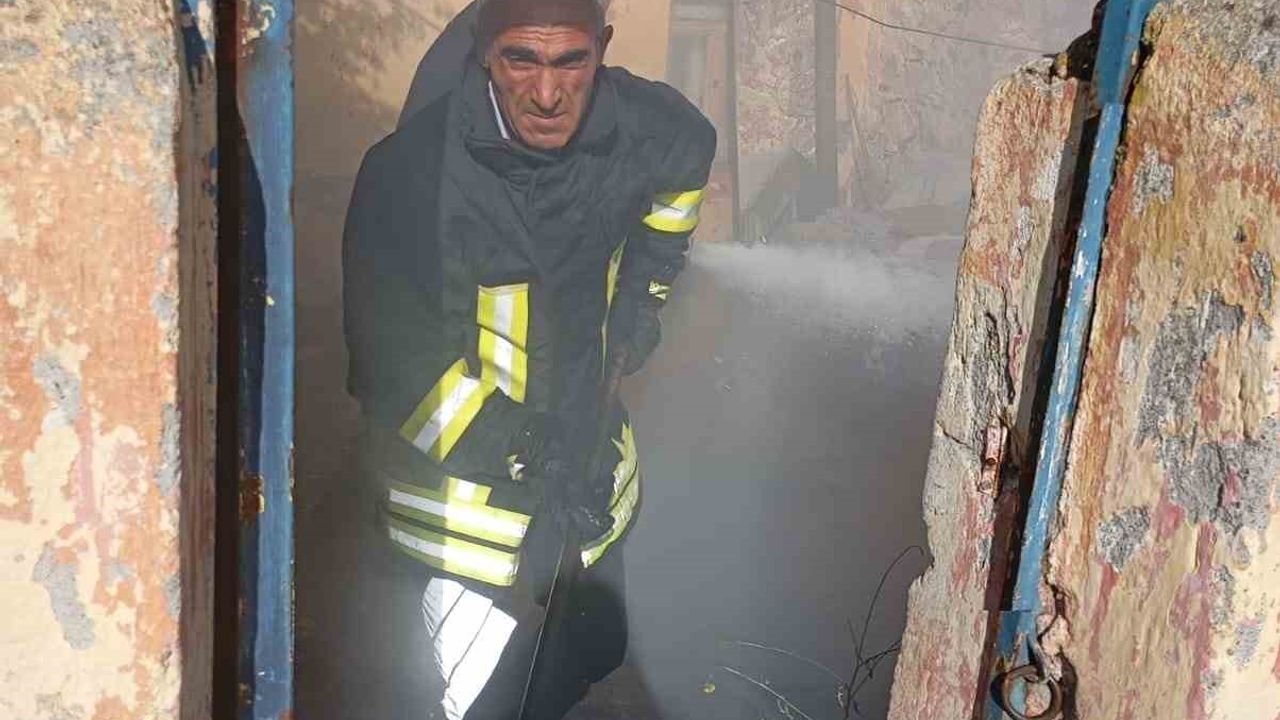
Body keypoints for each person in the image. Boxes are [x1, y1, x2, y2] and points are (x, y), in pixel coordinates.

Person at [341, 0, 716, 717]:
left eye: (572, 62)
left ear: (602, 48)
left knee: (586, 655)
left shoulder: (643, 129)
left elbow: (687, 153)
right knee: (482, 704)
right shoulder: (410, 176)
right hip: (467, 531)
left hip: (587, 494)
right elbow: (393, 369)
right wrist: (526, 447)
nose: (547, 94)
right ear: (485, 51)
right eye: (522, 60)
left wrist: (643, 295)